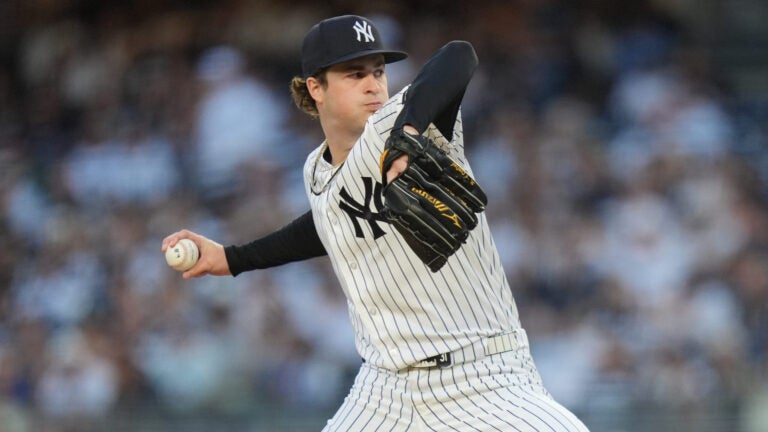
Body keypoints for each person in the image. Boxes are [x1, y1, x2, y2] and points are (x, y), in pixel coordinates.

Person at [162, 14, 589, 431]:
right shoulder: (315, 170)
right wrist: (232, 259)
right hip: (384, 390)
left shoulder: (407, 117)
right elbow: (326, 225)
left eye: (378, 71)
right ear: (316, 88)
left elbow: (458, 57)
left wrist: (410, 130)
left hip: (483, 374)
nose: (373, 84)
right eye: (354, 74)